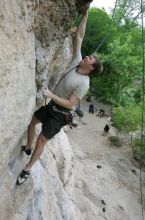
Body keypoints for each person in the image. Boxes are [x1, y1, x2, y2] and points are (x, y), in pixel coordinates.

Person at [17, 8, 103, 185]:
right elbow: (79, 37)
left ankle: (27, 169)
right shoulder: (76, 62)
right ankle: (27, 147)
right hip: (52, 106)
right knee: (32, 121)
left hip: (60, 114)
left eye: (90, 59)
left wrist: (50, 94)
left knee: (43, 140)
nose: (86, 56)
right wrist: (85, 15)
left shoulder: (84, 84)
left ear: (91, 68)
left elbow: (71, 104)